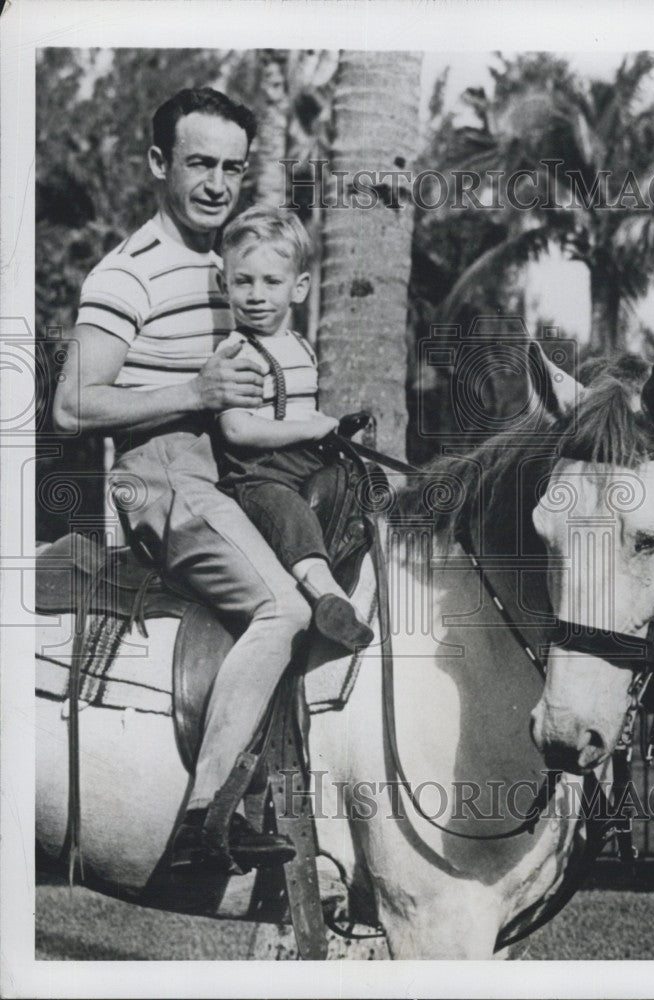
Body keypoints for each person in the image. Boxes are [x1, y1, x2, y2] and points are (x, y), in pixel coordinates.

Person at [53, 87, 309, 873]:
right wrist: (192, 396)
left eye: (232, 167)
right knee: (281, 611)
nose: (217, 184)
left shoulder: (227, 265)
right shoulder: (127, 274)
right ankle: (206, 819)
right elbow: (70, 405)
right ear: (159, 163)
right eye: (200, 163)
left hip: (219, 471)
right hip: (155, 473)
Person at [214, 206, 374, 649]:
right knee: (290, 513)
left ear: (299, 287)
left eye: (272, 282)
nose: (256, 295)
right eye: (243, 281)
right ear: (224, 284)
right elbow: (237, 430)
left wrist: (332, 431)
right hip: (258, 474)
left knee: (353, 483)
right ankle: (328, 596)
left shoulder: (301, 346)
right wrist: (310, 429)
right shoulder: (235, 351)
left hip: (304, 463)